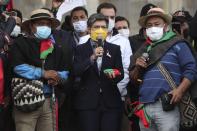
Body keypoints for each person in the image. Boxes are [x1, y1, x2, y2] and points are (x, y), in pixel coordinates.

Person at [129, 7, 197, 131]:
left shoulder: (178, 43)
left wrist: (180, 91)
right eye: (149, 25)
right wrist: (138, 68)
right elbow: (134, 80)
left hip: (166, 105)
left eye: (156, 24)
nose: (152, 27)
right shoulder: (143, 50)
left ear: (165, 26)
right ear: (145, 29)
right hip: (144, 107)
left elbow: (192, 69)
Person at [10, 8, 72, 131]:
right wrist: (44, 73)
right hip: (26, 98)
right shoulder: (20, 43)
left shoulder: (56, 47)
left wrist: (57, 77)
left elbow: (65, 71)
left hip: (49, 100)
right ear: (32, 26)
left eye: (48, 24)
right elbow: (18, 67)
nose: (45, 27)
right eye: (40, 24)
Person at [73, 13, 124, 131]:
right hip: (87, 102)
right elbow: (76, 70)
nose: (100, 30)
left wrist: (114, 74)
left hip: (110, 101)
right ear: (89, 29)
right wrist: (92, 58)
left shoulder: (114, 49)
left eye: (103, 27)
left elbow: (120, 73)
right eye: (96, 27)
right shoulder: (80, 49)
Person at [97, 3, 132, 131]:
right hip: (92, 99)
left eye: (112, 17)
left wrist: (114, 89)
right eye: (105, 17)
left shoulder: (123, 41)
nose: (109, 20)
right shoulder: (86, 40)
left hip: (115, 97)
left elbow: (127, 69)